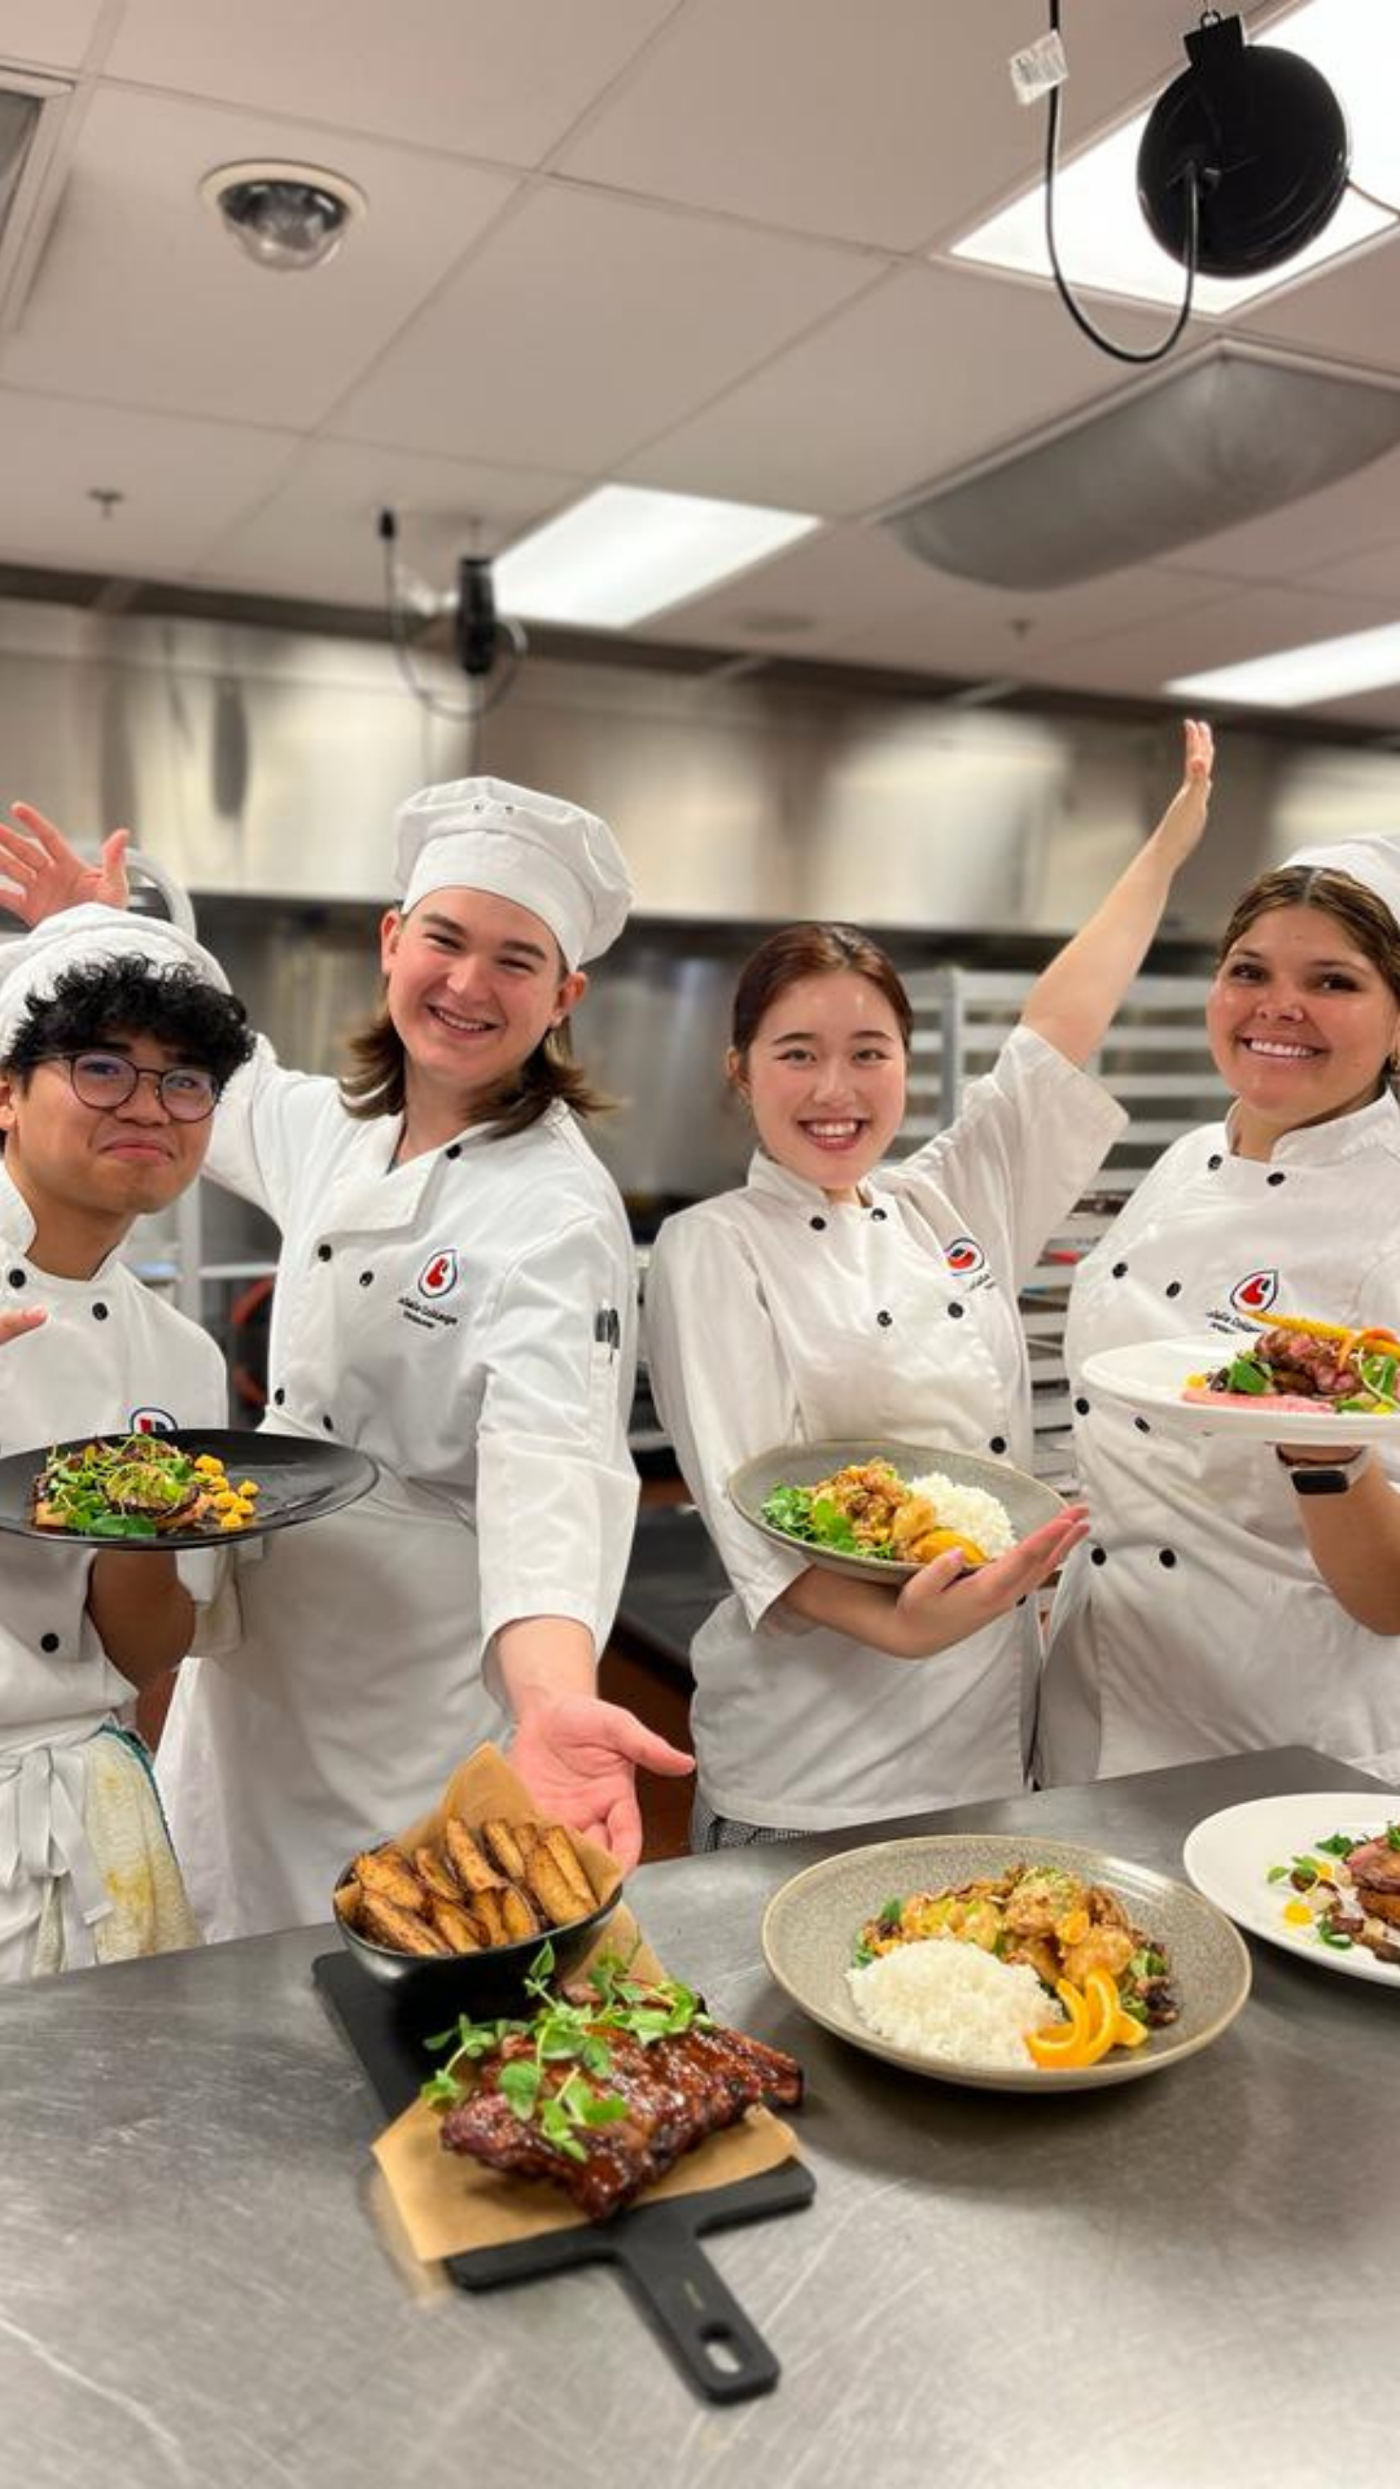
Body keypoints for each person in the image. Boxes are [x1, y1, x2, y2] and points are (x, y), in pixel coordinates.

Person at [0, 784, 691, 1941]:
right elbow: (203, 1070)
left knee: (356, 1952)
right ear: (392, 942)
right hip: (254, 1657)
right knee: (206, 1933)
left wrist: (555, 1697)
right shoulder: (336, 1128)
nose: (468, 983)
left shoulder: (556, 1215)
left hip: (394, 1672)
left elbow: (553, 1471)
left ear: (562, 996)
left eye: (516, 959)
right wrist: (95, 939)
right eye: (445, 938)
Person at [645, 724, 1215, 1847]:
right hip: (816, 1759)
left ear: (906, 1062)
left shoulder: (940, 1201)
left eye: (869, 1050)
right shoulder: (711, 1245)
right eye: (795, 1052)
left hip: (992, 1731)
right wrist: (911, 1630)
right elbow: (751, 1524)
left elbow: (1053, 1033)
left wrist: (1166, 848)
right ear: (739, 1070)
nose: (834, 1088)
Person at [1037, 827, 1400, 1787]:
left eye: (1334, 981)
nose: (1279, 1006)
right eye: (1250, 970)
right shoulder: (1185, 1159)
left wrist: (1328, 1456)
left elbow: (1394, 1596)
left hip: (1276, 1733)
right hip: (1096, 1687)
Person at [0, 907, 254, 1976]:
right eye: (101, 1065)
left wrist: (146, 1520)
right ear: (6, 1090)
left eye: (184, 1079)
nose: (148, 1105)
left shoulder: (178, 1356)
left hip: (88, 1809)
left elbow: (144, 1651)